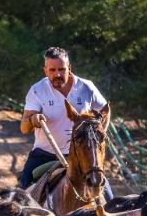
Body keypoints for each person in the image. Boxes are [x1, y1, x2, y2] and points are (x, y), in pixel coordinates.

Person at [18, 46, 113, 199]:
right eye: (52, 70)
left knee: (108, 198)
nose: (57, 74)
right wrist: (33, 120)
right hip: (45, 154)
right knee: (20, 196)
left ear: (69, 68)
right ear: (45, 70)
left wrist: (99, 135)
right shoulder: (37, 90)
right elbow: (23, 128)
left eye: (61, 69)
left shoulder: (86, 87)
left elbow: (105, 110)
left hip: (82, 155)